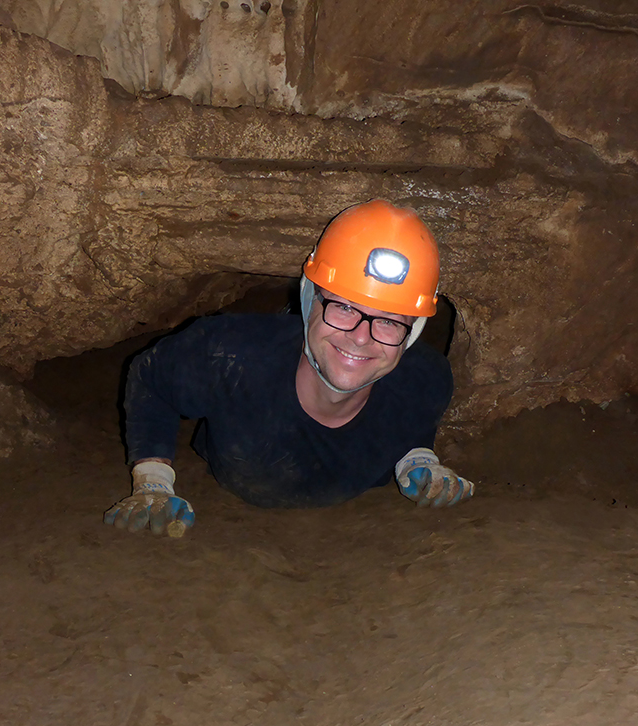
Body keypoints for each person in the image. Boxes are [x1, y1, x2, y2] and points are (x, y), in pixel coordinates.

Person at [104, 200, 475, 538]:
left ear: (412, 335)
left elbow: (416, 414)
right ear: (309, 300)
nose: (361, 337)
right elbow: (150, 378)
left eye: (389, 321)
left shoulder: (425, 379)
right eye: (344, 308)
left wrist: (417, 458)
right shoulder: (228, 357)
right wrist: (152, 477)